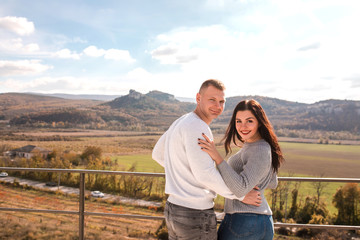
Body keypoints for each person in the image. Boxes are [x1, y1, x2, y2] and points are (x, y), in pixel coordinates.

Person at [152, 80, 262, 240]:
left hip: (173, 210)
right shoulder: (198, 126)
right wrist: (241, 196)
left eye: (221, 101)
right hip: (194, 214)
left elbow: (158, 154)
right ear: (198, 98)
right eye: (212, 100)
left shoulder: (182, 121)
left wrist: (184, 171)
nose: (217, 106)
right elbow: (205, 174)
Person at [198, 99, 284, 240]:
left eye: (249, 121)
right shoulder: (258, 146)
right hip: (259, 221)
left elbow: (240, 189)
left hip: (244, 222)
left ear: (259, 122)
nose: (243, 126)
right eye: (238, 121)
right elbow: (272, 182)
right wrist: (253, 185)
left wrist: (217, 157)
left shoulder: (260, 149)